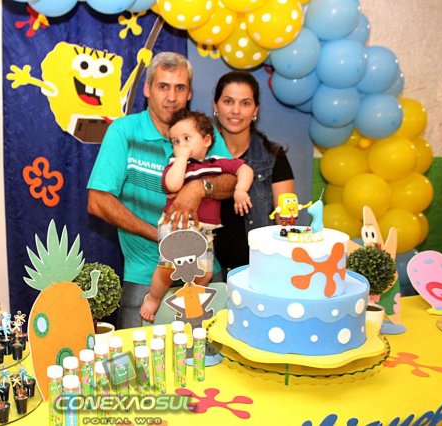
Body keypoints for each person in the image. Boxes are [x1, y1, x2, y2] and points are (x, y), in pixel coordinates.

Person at [87, 52, 236, 329]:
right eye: (163, 86)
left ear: (189, 93)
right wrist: (163, 236)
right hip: (146, 276)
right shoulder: (124, 131)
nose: (172, 97)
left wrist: (200, 187)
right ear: (147, 89)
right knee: (137, 355)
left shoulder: (202, 132)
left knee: (209, 352)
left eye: (180, 88)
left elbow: (231, 181)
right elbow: (98, 201)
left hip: (203, 270)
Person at [140, 109, 254, 322]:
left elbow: (244, 169)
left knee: (205, 273)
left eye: (186, 138)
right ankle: (153, 298)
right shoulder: (176, 167)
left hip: (205, 231)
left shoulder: (216, 164)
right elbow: (172, 185)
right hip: (176, 224)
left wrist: (241, 190)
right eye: (175, 141)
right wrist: (181, 159)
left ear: (206, 140)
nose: (180, 145)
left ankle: (190, 301)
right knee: (169, 267)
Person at [212, 71, 295, 274]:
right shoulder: (199, 156)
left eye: (245, 103)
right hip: (206, 273)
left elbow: (286, 223)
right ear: (215, 106)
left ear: (255, 110)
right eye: (228, 101)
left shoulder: (273, 157)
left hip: (257, 272)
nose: (236, 110)